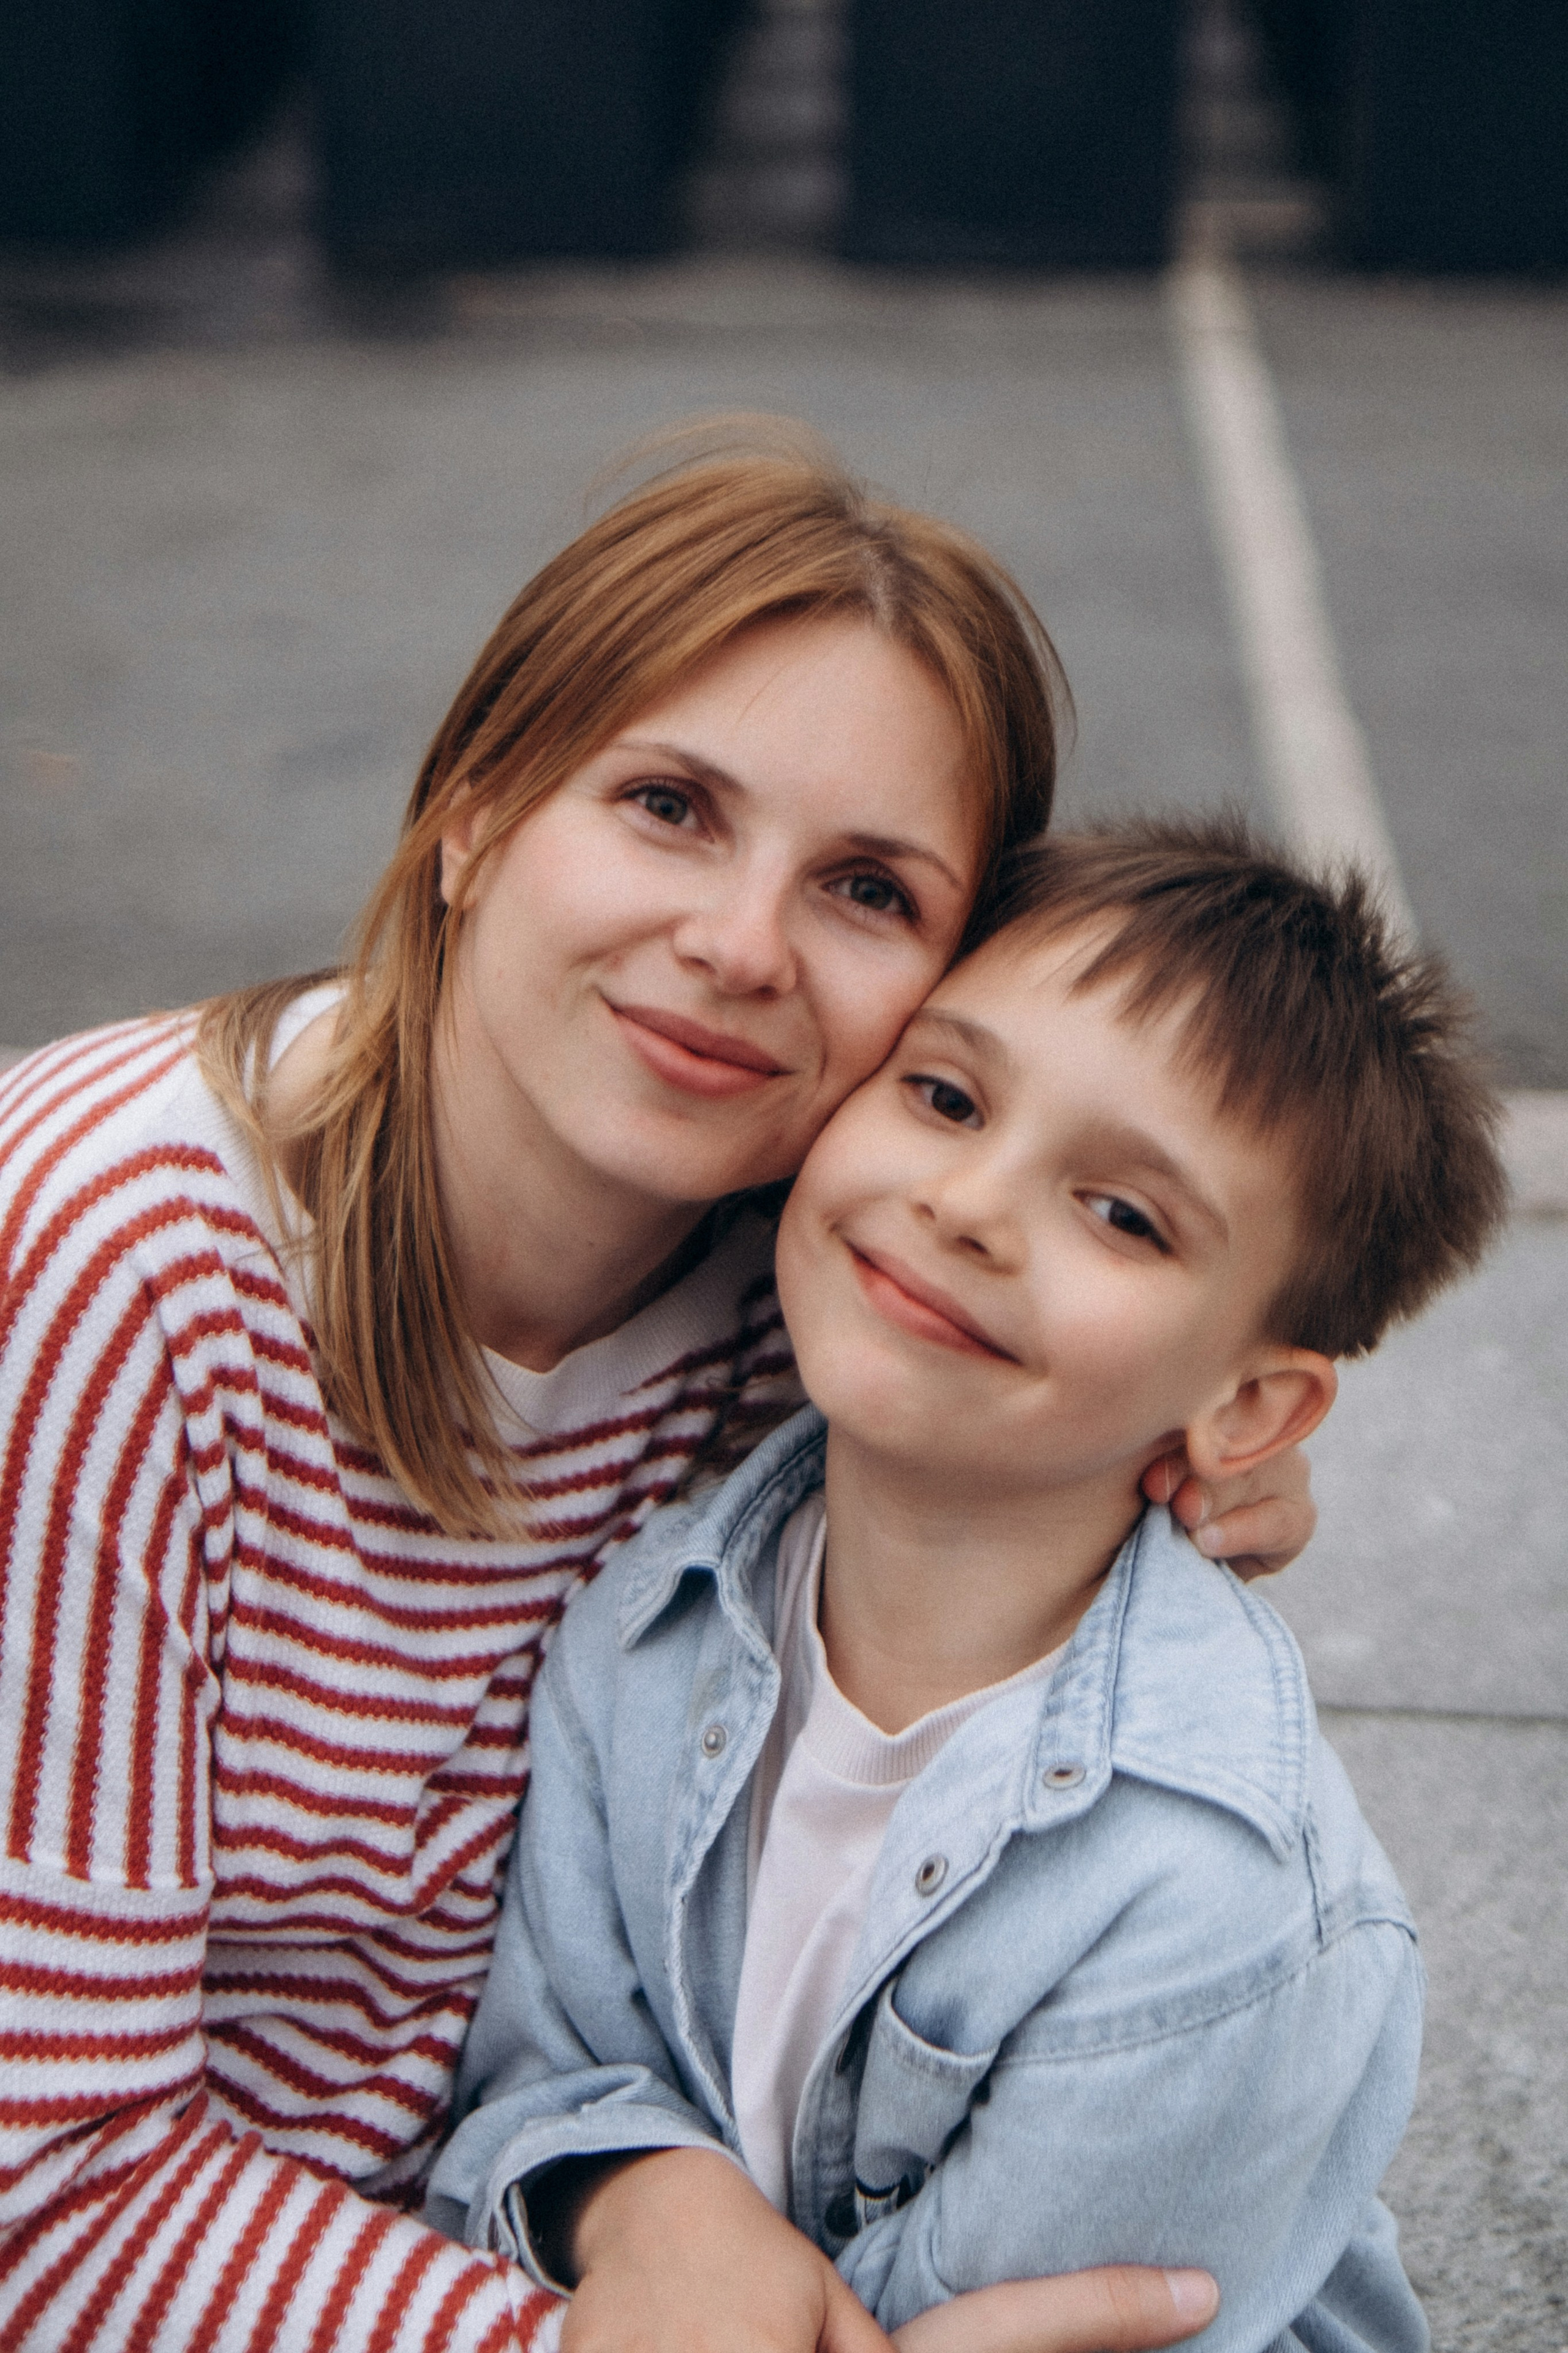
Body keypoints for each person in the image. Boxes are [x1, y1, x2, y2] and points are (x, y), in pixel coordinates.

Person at [0, 433, 1314, 2353]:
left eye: (868, 887)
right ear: (474, 809)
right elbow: (44, 2192)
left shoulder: (820, 1297)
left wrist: (1183, 1438)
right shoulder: (106, 1270)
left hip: (554, 2200)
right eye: (671, 806)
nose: (738, 945)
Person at [428, 815, 1508, 2353]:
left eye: (1122, 1214)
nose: (966, 1202)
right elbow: (536, 2078)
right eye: (941, 1096)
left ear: (1248, 1412)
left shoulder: (1210, 1898)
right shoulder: (646, 1622)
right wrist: (643, 2193)